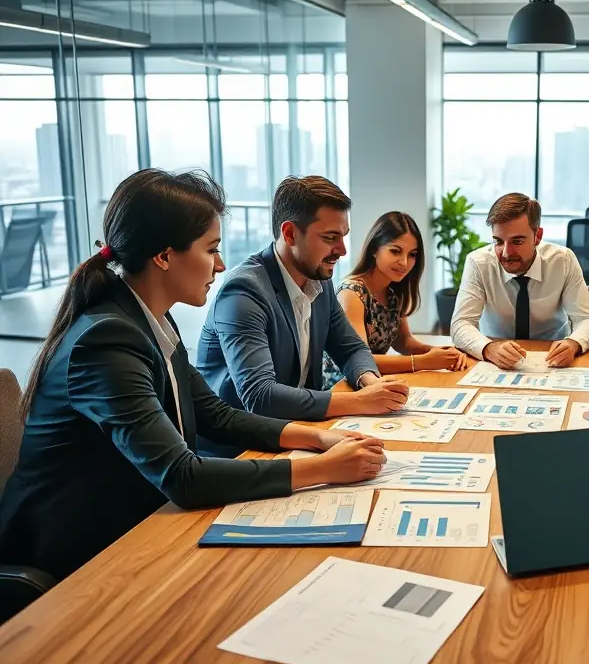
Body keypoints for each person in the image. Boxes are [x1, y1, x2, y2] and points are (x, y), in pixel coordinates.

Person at [0, 170, 386, 583]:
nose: (220, 264)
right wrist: (324, 469)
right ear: (164, 256)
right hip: (79, 556)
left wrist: (318, 437)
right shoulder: (106, 341)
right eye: (211, 249)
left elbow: (215, 414)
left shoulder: (150, 318)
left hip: (142, 524)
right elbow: (181, 476)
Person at [197, 175, 409, 458]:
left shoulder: (320, 279)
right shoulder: (243, 291)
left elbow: (351, 347)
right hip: (242, 452)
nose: (342, 250)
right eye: (330, 238)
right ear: (290, 234)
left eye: (343, 236)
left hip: (301, 434)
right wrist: (358, 401)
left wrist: (371, 382)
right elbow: (260, 397)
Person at [450, 193, 589, 369]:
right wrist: (488, 348)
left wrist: (573, 343)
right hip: (496, 361)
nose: (506, 253)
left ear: (537, 236)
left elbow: (588, 319)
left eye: (517, 241)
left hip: (553, 358)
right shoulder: (479, 263)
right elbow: (461, 324)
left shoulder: (563, 260)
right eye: (498, 241)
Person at [323, 211, 468, 386]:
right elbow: (359, 361)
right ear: (374, 249)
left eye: (412, 254)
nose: (404, 263)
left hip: (375, 384)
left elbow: (405, 343)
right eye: (395, 251)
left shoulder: (392, 292)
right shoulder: (352, 293)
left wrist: (440, 353)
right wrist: (424, 362)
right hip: (342, 387)